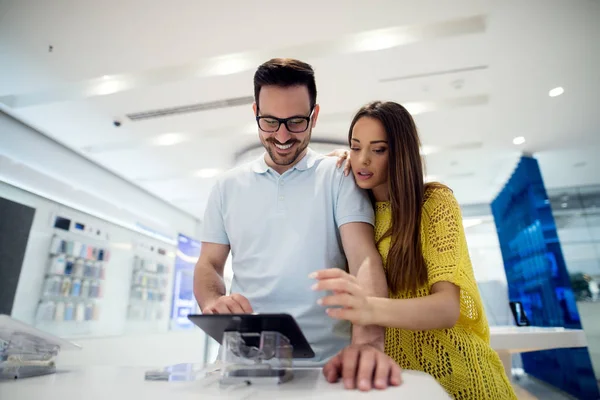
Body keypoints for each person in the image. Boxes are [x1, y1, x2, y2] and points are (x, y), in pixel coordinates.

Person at [193, 59, 401, 391]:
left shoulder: (339, 176)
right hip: (244, 365)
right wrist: (211, 302)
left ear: (315, 116)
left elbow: (364, 258)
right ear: (255, 113)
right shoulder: (226, 187)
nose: (283, 135)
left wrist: (368, 343)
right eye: (270, 121)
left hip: (326, 367)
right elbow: (209, 264)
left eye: (296, 122)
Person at [314, 101, 517, 399]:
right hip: (400, 384)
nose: (363, 161)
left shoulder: (434, 203)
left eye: (378, 149)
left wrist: (369, 307)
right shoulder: (358, 213)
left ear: (400, 153)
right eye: (356, 148)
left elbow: (447, 309)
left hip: (461, 379)